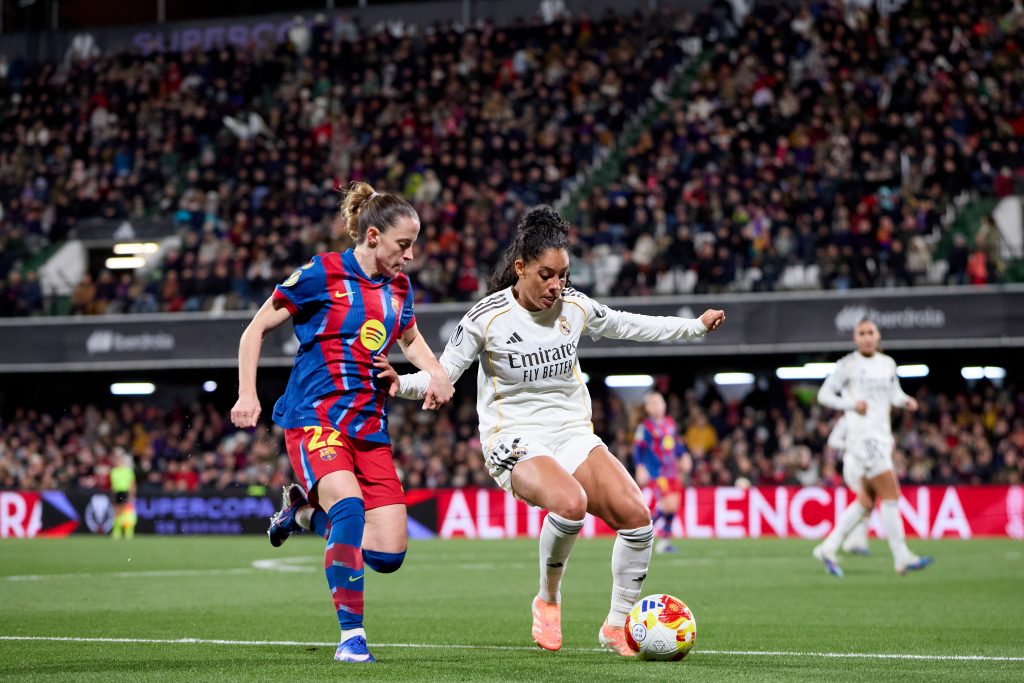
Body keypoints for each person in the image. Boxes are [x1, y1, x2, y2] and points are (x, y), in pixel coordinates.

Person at [383, 206, 725, 656]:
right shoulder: (486, 317)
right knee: (570, 503)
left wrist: (694, 327)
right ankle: (547, 598)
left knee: (639, 519)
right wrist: (401, 383)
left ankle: (617, 626)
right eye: (546, 275)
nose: (556, 286)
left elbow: (629, 324)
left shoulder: (574, 307)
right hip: (512, 437)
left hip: (571, 433)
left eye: (562, 276)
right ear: (521, 268)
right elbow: (442, 374)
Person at [229, 182, 454, 663]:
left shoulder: (399, 288)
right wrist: (248, 393)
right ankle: (351, 638)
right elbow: (255, 329)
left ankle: (303, 512)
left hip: (369, 428)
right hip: (315, 417)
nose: (411, 256)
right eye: (403, 244)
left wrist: (437, 374)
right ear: (373, 236)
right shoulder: (320, 273)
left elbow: (410, 338)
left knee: (388, 555)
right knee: (350, 510)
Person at [813, 319, 933, 577]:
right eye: (862, 333)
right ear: (855, 338)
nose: (867, 337)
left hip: (881, 437)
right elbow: (824, 395)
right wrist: (851, 405)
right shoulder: (848, 365)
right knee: (891, 492)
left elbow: (894, 394)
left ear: (878, 336)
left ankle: (827, 548)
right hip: (862, 438)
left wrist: (906, 401)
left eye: (871, 333)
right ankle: (902, 556)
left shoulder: (887, 363)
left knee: (866, 502)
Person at [632, 392, 688, 554]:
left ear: (664, 405)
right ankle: (640, 534)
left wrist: (684, 455)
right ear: (647, 408)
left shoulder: (670, 423)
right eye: (653, 404)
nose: (657, 406)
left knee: (673, 506)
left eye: (659, 403)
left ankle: (664, 542)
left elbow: (677, 444)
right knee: (667, 504)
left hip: (672, 471)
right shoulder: (645, 427)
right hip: (657, 472)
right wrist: (640, 467)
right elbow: (637, 449)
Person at [826, 416, 869, 555]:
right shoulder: (847, 419)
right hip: (853, 465)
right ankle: (852, 542)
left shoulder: (871, 418)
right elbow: (833, 441)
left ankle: (855, 541)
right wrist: (851, 445)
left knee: (866, 503)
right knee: (866, 502)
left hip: (867, 464)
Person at [110, 452, 137, 540]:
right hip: (117, 492)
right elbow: (113, 485)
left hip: (125, 492)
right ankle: (116, 532)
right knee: (117, 512)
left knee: (127, 512)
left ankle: (128, 532)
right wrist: (112, 495)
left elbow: (132, 484)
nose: (118, 462)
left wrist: (131, 494)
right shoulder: (113, 471)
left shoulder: (128, 471)